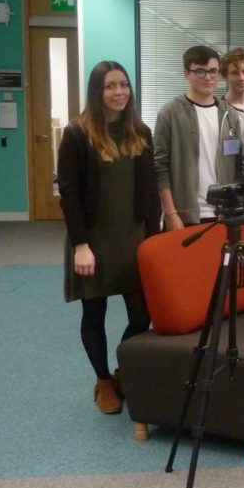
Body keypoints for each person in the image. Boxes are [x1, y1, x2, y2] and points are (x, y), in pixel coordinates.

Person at [57, 61, 160, 415]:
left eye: (124, 85)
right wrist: (80, 245)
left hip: (134, 236)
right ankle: (103, 382)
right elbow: (68, 193)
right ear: (96, 91)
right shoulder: (77, 133)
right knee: (94, 310)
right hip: (93, 239)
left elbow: (150, 192)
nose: (119, 92)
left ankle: (121, 370)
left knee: (142, 313)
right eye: (110, 86)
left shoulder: (140, 131)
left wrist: (154, 238)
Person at [154, 45, 244, 229]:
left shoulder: (230, 115)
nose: (208, 77)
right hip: (184, 217)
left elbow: (239, 164)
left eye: (213, 72)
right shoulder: (170, 113)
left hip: (223, 216)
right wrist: (171, 214)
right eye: (200, 72)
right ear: (186, 74)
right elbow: (160, 168)